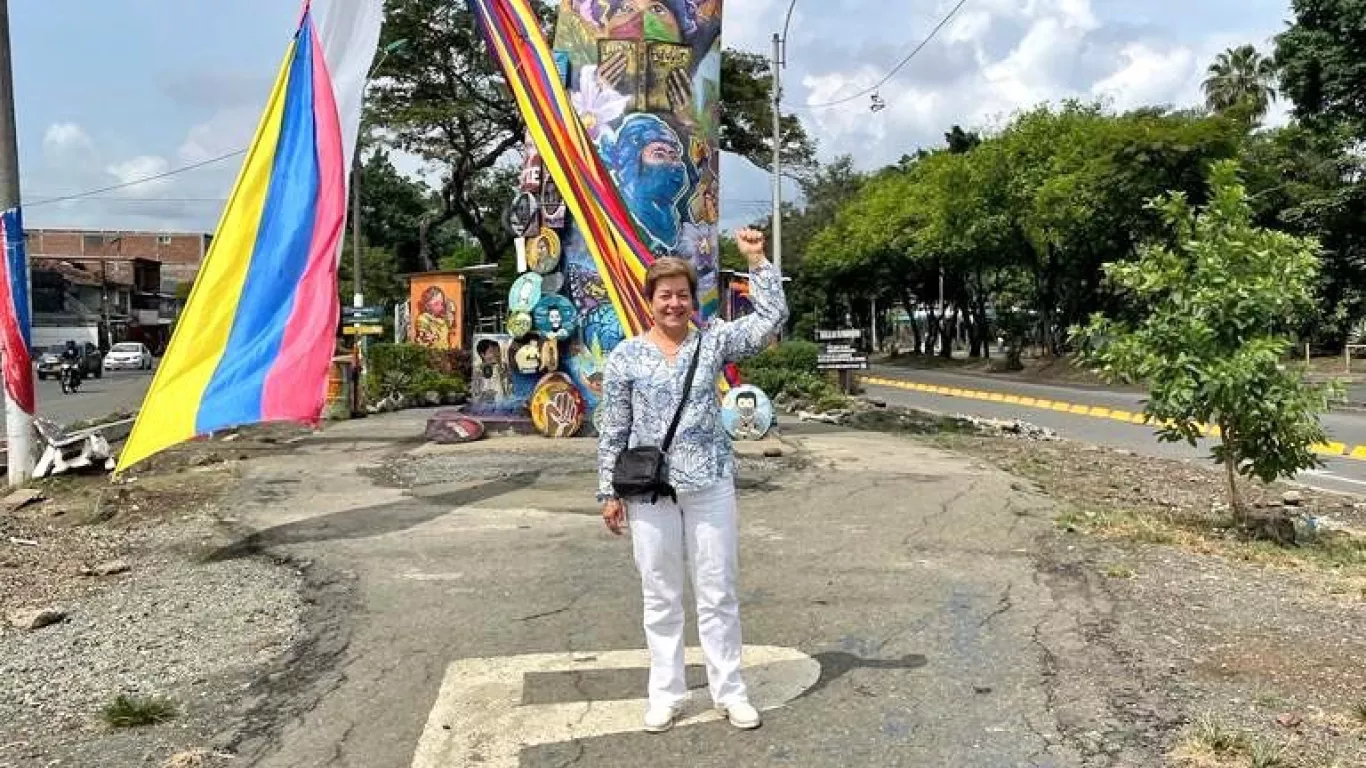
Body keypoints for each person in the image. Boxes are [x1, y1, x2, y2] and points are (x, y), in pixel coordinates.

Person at [596, 227, 788, 733]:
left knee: (717, 589)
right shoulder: (625, 357)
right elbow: (612, 428)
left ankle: (730, 691)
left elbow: (770, 320)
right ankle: (667, 693)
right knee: (659, 593)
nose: (675, 304)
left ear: (691, 299)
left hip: (710, 483)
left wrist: (757, 260)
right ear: (649, 302)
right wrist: (607, 492)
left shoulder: (714, 341)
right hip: (649, 492)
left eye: (682, 295)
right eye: (665, 296)